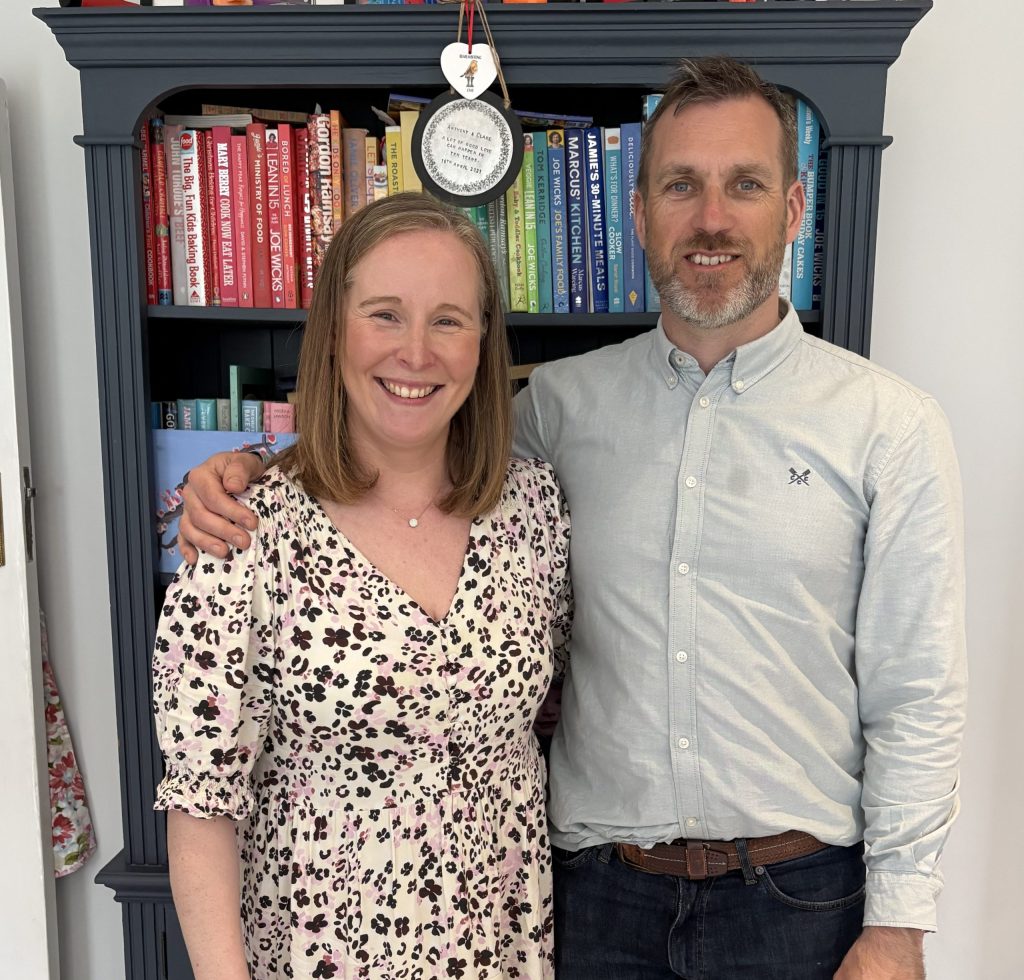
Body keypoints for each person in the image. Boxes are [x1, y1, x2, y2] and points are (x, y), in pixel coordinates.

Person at [179, 58, 966, 980]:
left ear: (793, 210)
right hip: (593, 903)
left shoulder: (890, 427)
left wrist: (900, 925)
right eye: (681, 184)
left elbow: (918, 696)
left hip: (798, 904)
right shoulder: (555, 411)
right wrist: (247, 472)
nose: (711, 218)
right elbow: (405, 437)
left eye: (744, 184)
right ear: (638, 213)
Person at [153, 193, 571, 980]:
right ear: (334, 331)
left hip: (500, 953)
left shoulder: (534, 508)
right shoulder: (244, 528)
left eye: (449, 319)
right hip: (318, 956)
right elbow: (201, 800)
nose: (416, 352)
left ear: (483, 343)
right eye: (385, 314)